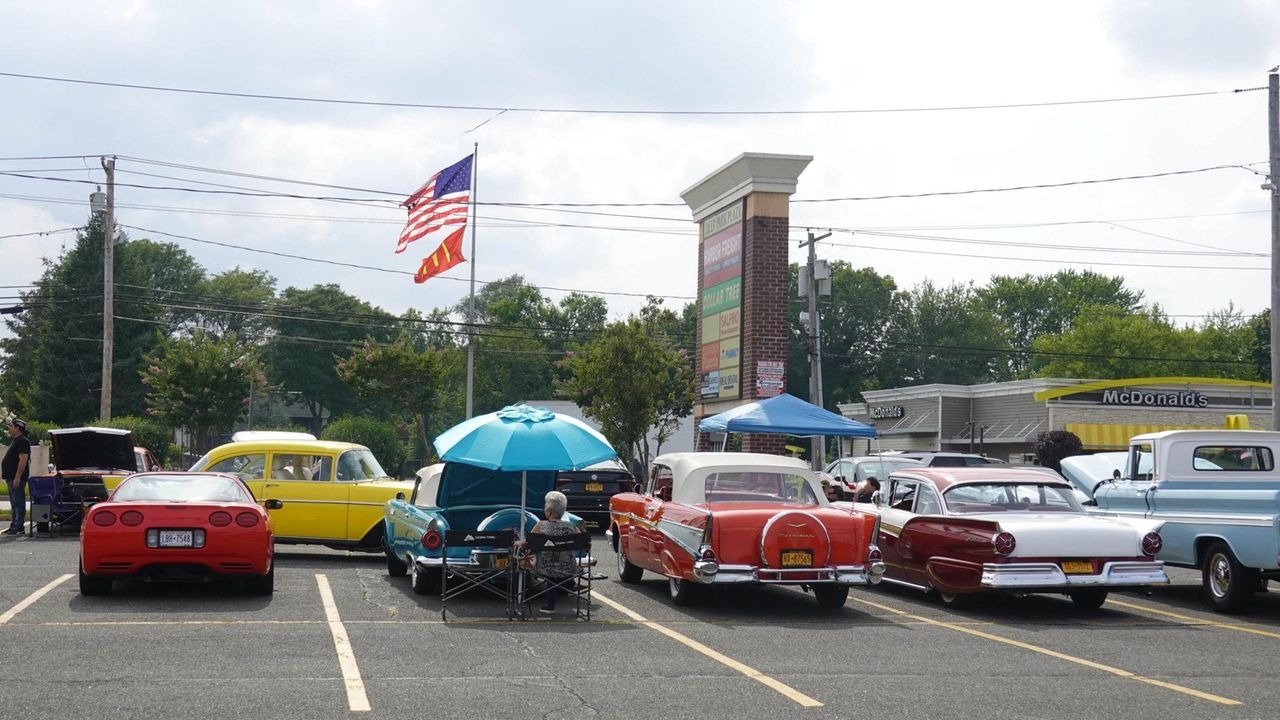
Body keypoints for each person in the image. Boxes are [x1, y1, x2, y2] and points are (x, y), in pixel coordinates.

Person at [519, 490, 584, 614]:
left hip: (544, 568)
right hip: (568, 568)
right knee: (559, 565)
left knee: (549, 570)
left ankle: (549, 605)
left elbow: (529, 545)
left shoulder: (540, 526)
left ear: (548, 511)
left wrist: (519, 543)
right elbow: (585, 545)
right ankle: (568, 585)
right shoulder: (572, 526)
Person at [3, 419, 32, 536]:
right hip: (11, 477)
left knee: (18, 502)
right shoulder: (16, 441)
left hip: (16, 478)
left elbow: (23, 459)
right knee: (14, 503)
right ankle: (14, 525)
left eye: (11, 426)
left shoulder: (23, 441)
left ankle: (19, 526)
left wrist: (17, 477)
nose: (9, 428)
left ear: (17, 428)